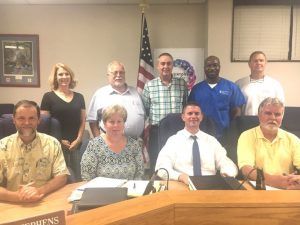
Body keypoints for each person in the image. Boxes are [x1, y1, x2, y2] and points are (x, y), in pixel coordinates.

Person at [0, 100, 69, 203]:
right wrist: (18, 197)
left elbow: (62, 176)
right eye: (21, 118)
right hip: (13, 204)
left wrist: (40, 191)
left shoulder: (52, 143)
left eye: (31, 118)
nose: (27, 123)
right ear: (13, 120)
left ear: (38, 120)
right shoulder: (2, 146)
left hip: (45, 200)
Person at [155, 102, 237, 185]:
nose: (193, 116)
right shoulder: (173, 141)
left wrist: (227, 174)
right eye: (190, 113)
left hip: (209, 187)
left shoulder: (212, 141)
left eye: (197, 114)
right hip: (182, 185)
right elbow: (161, 168)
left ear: (201, 117)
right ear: (183, 117)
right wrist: (180, 177)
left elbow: (225, 162)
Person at [237, 97, 300, 189]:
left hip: (286, 187)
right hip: (258, 188)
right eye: (268, 113)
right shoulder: (247, 136)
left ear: (282, 117)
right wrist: (273, 180)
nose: (273, 118)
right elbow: (246, 169)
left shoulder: (292, 139)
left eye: (277, 114)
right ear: (259, 115)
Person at [141, 52, 188, 172]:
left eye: (168, 63)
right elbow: (145, 109)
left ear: (172, 66)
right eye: (162, 64)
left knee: (179, 162)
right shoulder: (149, 86)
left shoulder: (182, 84)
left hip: (178, 131)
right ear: (158, 66)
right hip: (157, 131)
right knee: (157, 162)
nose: (165, 66)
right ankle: (157, 188)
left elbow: (185, 106)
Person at [41, 63, 86, 181]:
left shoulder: (79, 97)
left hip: (76, 145)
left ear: (70, 77)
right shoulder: (48, 97)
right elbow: (45, 124)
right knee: (62, 179)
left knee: (78, 178)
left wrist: (79, 138)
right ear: (55, 77)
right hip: (57, 145)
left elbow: (83, 120)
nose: (64, 77)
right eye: (60, 74)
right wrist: (59, 140)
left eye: (67, 74)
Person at [81, 105, 144, 181]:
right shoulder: (94, 145)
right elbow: (86, 176)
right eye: (111, 122)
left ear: (124, 123)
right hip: (102, 191)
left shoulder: (134, 145)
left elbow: (140, 174)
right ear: (104, 124)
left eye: (119, 121)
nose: (116, 125)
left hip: (130, 191)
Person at [188, 55, 245, 139]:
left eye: (215, 65)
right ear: (204, 68)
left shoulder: (231, 87)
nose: (212, 68)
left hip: (224, 135)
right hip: (201, 134)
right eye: (209, 66)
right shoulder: (196, 89)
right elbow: (191, 111)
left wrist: (231, 129)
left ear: (219, 67)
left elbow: (237, 111)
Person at [87, 61, 144, 139]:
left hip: (135, 143)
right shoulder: (100, 94)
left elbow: (144, 117)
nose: (118, 75)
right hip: (110, 143)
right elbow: (93, 121)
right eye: (115, 73)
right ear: (108, 75)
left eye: (121, 72)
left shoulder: (135, 93)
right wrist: (100, 142)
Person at [235, 51, 284, 116]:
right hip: (246, 122)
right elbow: (236, 107)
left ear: (266, 63)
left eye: (261, 60)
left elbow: (280, 107)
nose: (258, 63)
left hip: (268, 122)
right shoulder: (239, 84)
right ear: (249, 64)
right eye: (255, 61)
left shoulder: (275, 84)